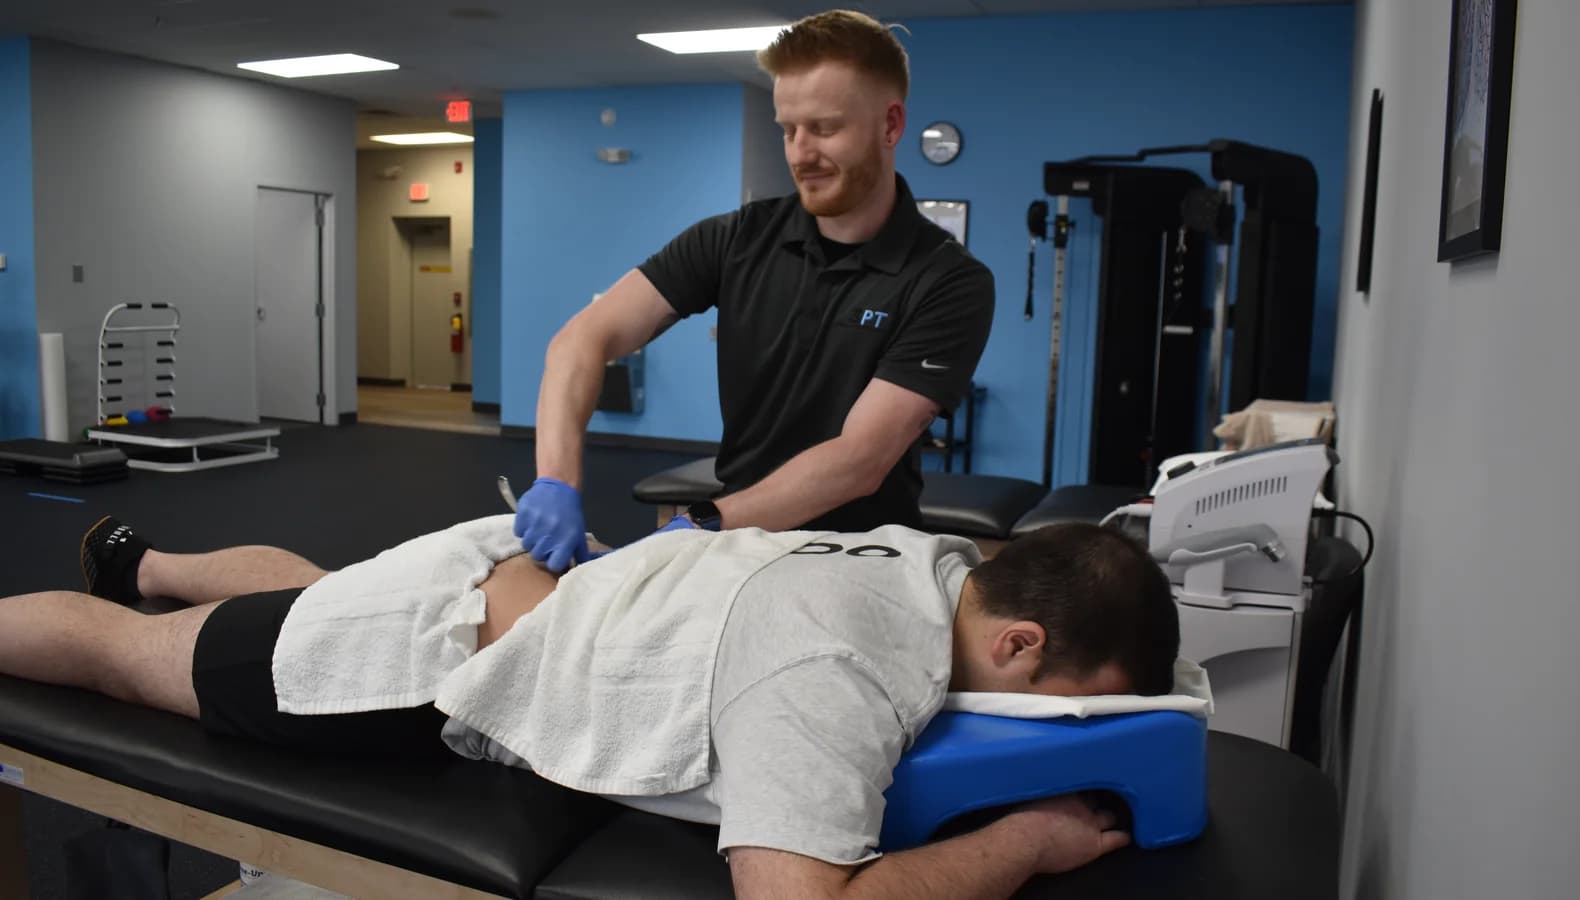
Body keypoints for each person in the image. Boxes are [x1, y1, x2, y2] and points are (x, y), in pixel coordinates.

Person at [3, 514, 1178, 899]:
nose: (1060, 728)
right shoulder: (839, 663)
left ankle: (147, 557)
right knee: (126, 656)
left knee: (314, 589)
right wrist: (1024, 841)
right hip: (412, 665)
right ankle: (133, 597)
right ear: (1018, 639)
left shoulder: (944, 560)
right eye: (1067, 707)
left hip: (507, 583)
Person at [517, 9, 996, 570]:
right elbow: (582, 340)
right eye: (788, 129)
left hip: (860, 560)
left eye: (824, 128)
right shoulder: (736, 238)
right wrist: (556, 481)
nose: (799, 153)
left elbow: (858, 460)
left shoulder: (948, 280)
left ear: (890, 125)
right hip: (739, 548)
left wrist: (704, 523)